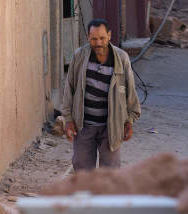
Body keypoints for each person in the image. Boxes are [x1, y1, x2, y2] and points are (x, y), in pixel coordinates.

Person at [61, 19, 142, 171]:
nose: (98, 43)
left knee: (109, 175)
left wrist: (129, 121)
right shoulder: (79, 57)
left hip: (111, 127)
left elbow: (130, 93)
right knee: (82, 173)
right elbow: (69, 90)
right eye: (94, 39)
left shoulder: (121, 59)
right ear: (88, 37)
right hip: (84, 126)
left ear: (109, 36)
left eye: (102, 38)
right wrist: (68, 120)